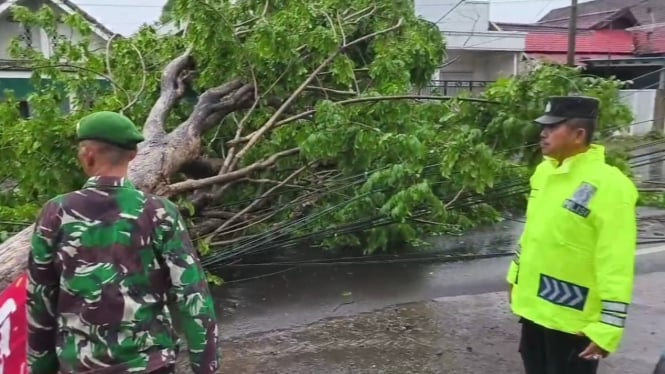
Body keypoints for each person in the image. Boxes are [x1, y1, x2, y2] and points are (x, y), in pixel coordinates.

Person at [26, 111, 220, 373]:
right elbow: (192, 295)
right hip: (150, 365)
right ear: (132, 155)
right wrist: (205, 367)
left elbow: (40, 302)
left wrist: (41, 369)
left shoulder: (55, 213)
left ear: (87, 155)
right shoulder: (159, 212)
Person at [506, 96, 638, 374]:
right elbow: (533, 234)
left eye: (553, 128)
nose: (543, 133)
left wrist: (608, 327)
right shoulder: (543, 173)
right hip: (534, 311)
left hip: (573, 320)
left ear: (579, 135)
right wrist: (514, 278)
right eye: (543, 127)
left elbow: (616, 261)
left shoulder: (611, 186)